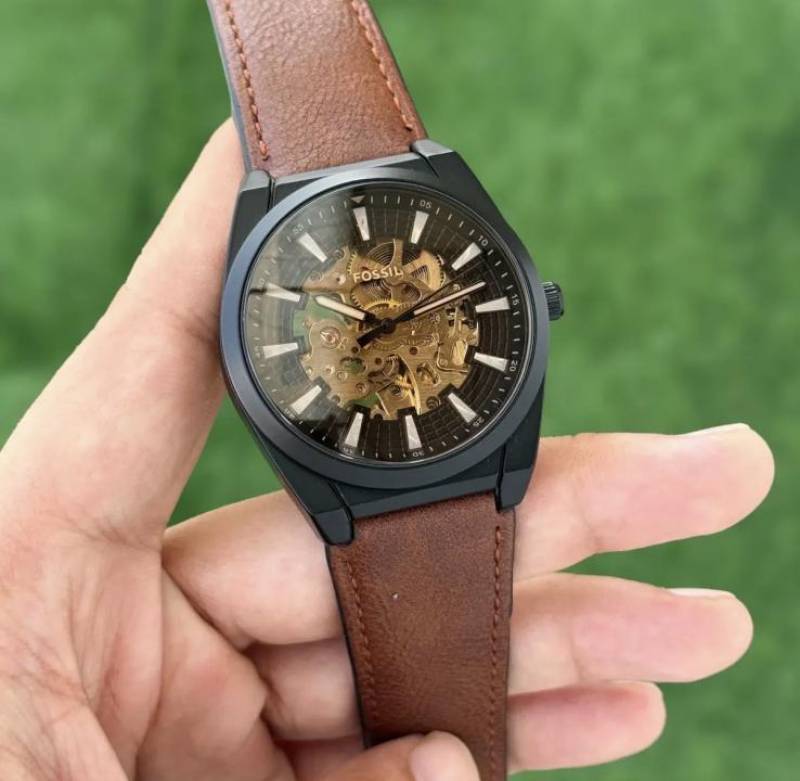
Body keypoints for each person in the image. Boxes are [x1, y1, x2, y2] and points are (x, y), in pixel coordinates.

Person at [0, 122, 774, 781]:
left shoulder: (399, 195)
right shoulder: (419, 181)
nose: (380, 326)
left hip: (435, 458)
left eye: (395, 315)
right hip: (366, 478)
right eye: (364, 322)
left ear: (534, 306)